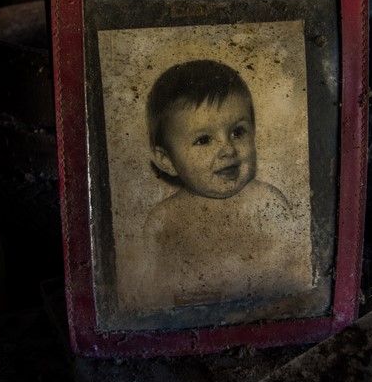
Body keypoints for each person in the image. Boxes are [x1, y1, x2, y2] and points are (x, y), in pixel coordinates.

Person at [124, 59, 312, 311]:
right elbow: (160, 294)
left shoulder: (268, 202)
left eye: (238, 132)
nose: (227, 149)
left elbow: (295, 274)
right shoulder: (165, 220)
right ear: (166, 160)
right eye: (204, 140)